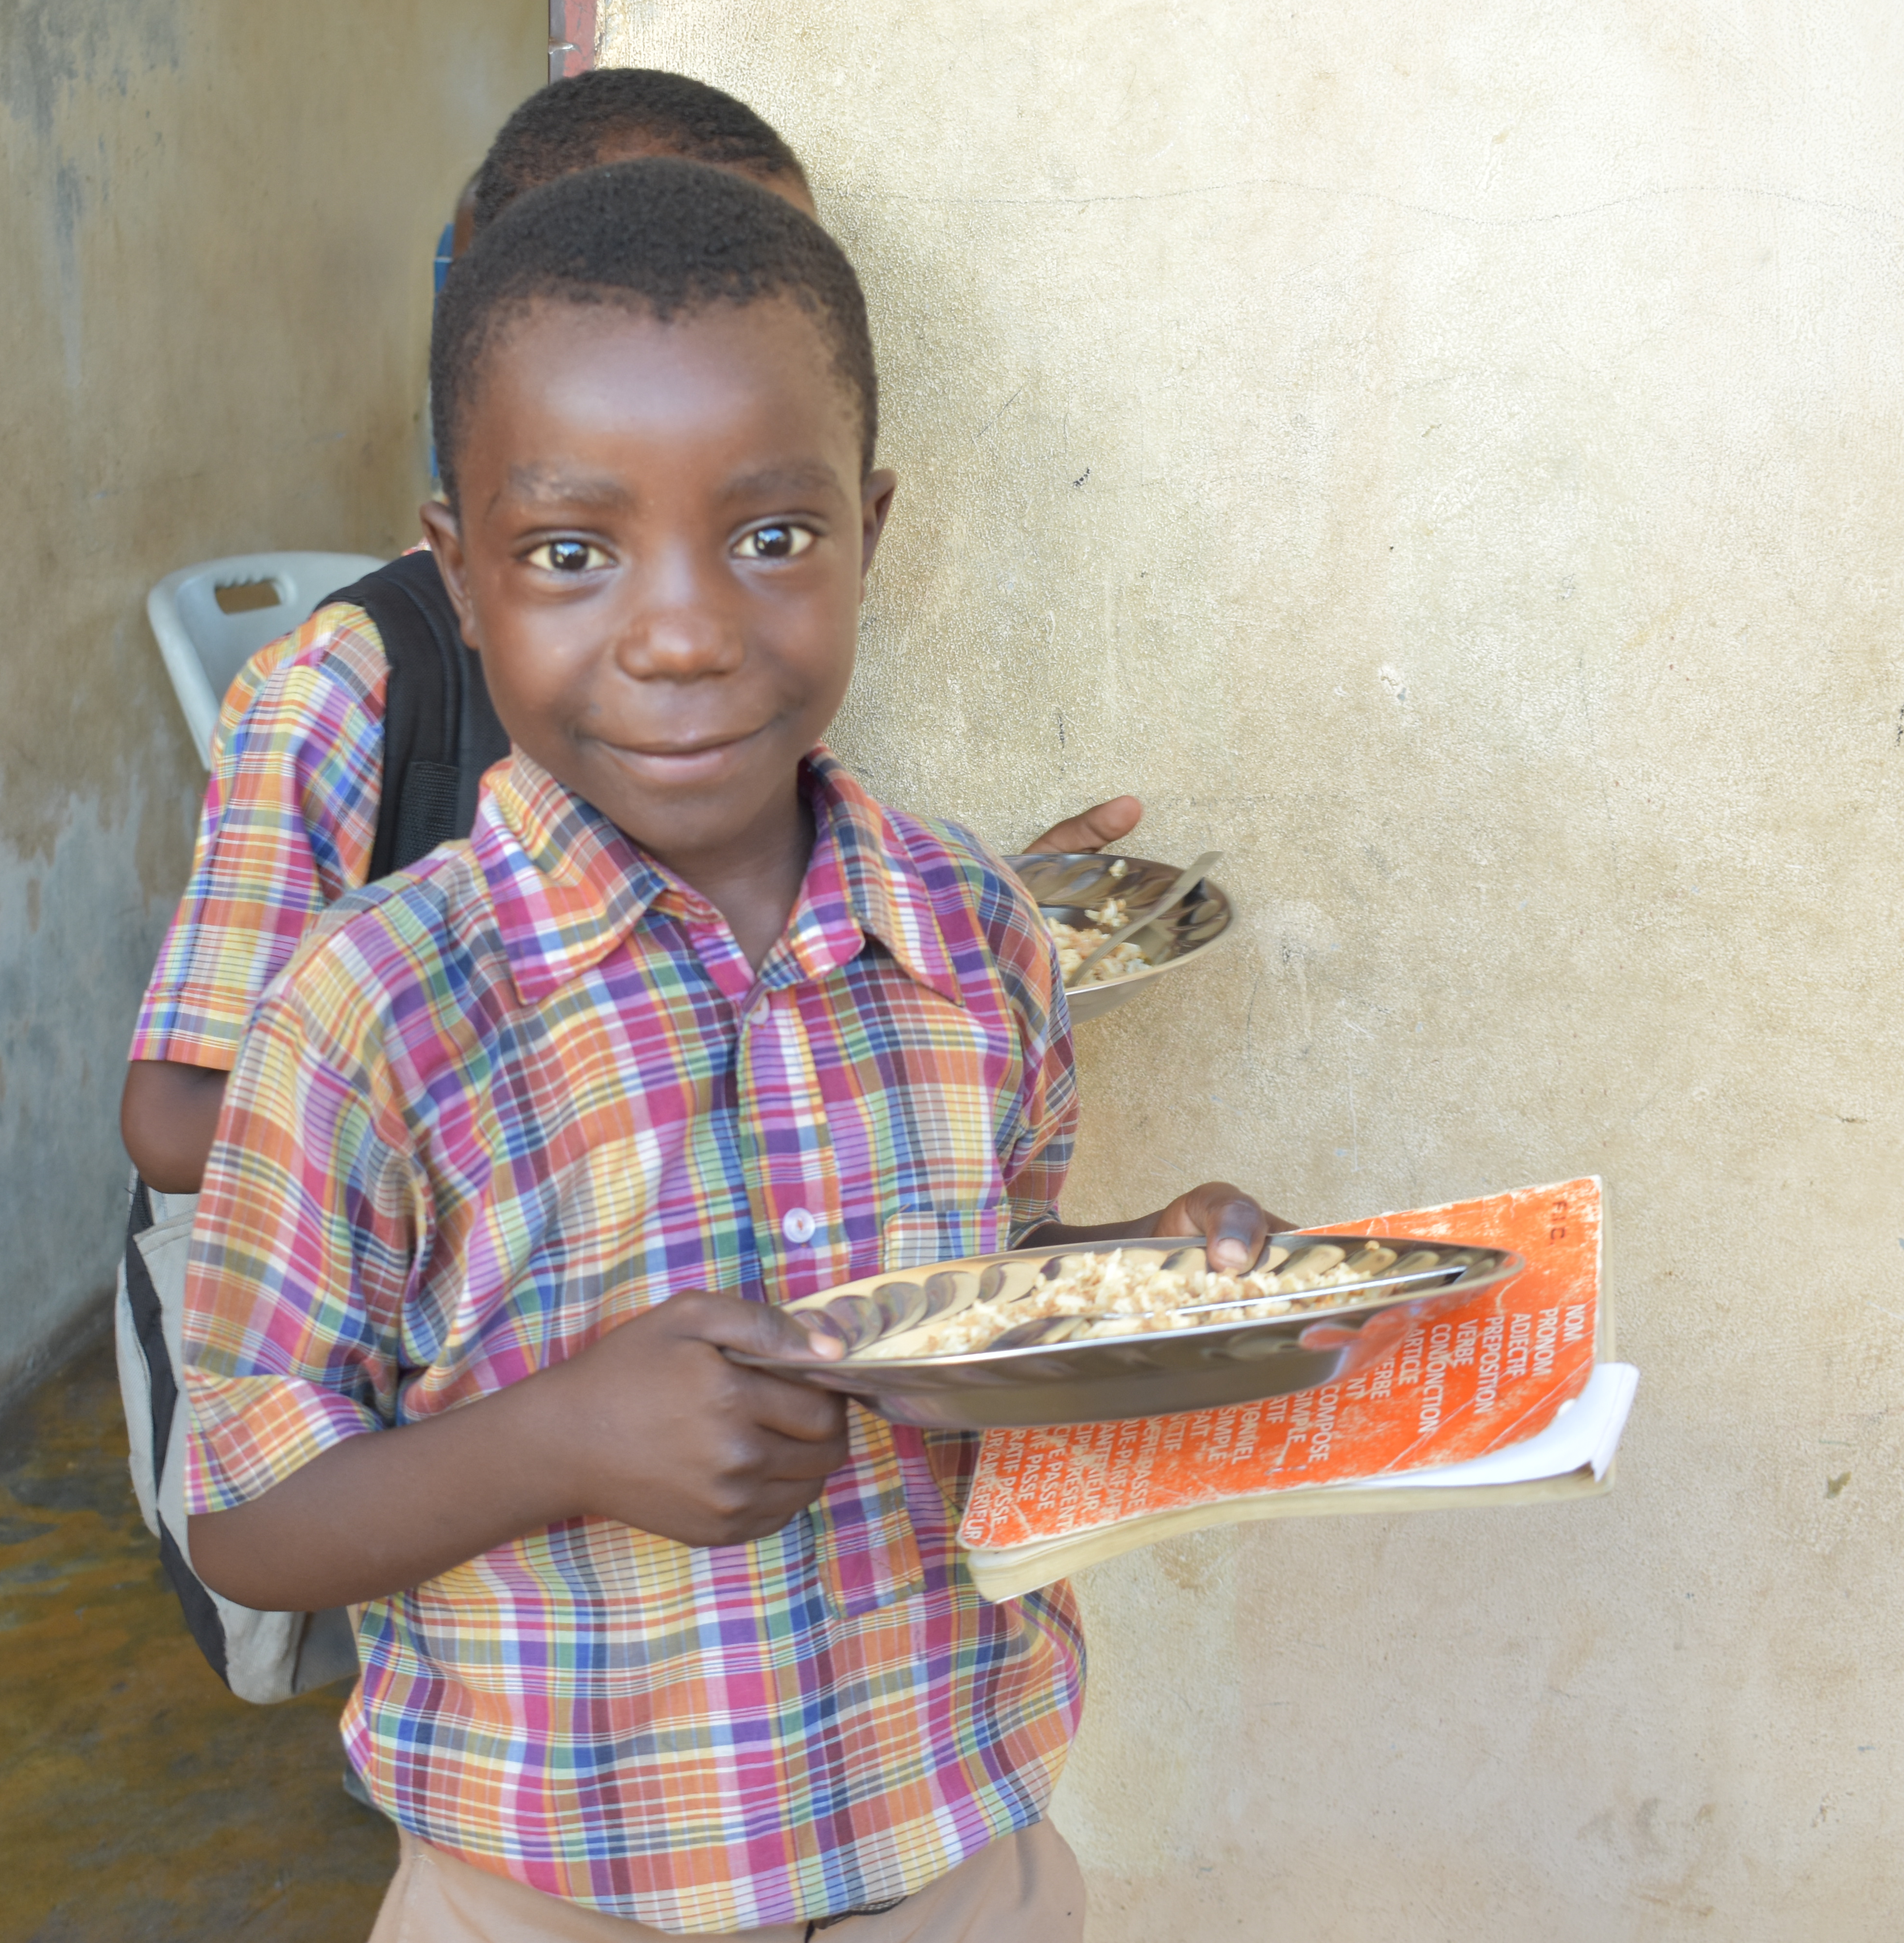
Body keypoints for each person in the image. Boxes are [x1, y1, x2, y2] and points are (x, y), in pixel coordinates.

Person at [181, 158, 1276, 1940]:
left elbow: (966, 1305)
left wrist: (1138, 1288)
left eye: (771, 536)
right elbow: (243, 1516)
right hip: (545, 1897)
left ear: (872, 530)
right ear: (457, 573)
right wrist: (556, 1444)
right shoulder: (375, 1006)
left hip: (949, 1855)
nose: (685, 631)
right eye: (570, 552)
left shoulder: (974, 934)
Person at [120, 69, 1143, 1195]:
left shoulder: (751, 679)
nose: (682, 639)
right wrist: (511, 1070)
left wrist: (957, 928)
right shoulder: (352, 683)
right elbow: (174, 1126)